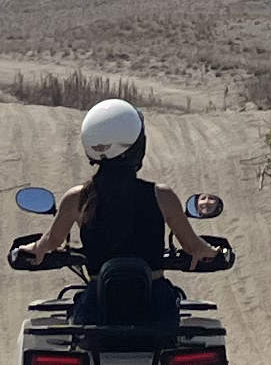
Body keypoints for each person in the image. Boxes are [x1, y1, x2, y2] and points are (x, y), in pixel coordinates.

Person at [15, 99, 226, 326]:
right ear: (137, 146)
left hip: (98, 309)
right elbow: (194, 248)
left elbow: (50, 242)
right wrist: (215, 252)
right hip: (156, 309)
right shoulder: (161, 196)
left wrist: (33, 249)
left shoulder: (76, 198)